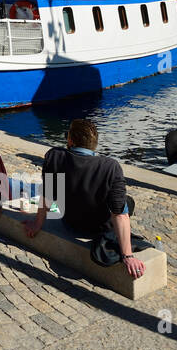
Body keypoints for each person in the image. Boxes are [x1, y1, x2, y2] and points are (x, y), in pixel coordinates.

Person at [25, 119, 145, 279]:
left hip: (71, 223)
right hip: (99, 228)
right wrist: (128, 256)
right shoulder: (110, 167)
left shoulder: (54, 157)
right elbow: (120, 214)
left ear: (70, 140)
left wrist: (37, 224)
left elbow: (47, 195)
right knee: (126, 203)